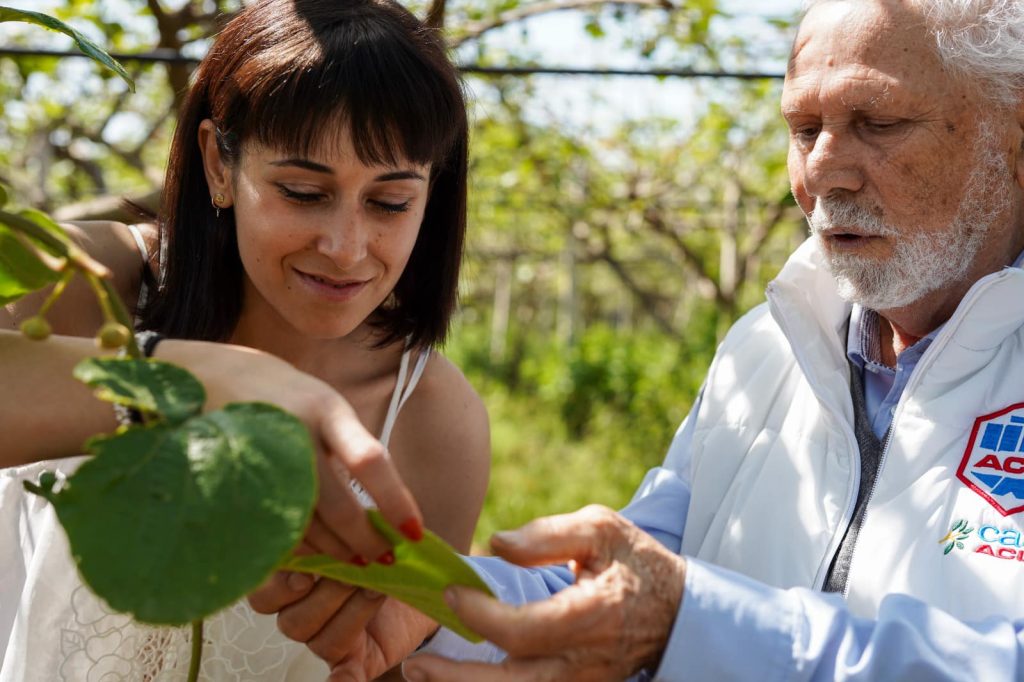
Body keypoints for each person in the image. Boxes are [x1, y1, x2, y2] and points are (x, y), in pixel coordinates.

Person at [260, 0, 1024, 679]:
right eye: (802, 128)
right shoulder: (766, 349)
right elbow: (643, 578)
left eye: (879, 122)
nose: (822, 170)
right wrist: (441, 601)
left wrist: (685, 624)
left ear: (1013, 135)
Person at [0, 0, 490, 679]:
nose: (347, 249)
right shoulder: (94, 281)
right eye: (302, 191)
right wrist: (185, 382)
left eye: (389, 203)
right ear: (218, 166)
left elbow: (390, 648)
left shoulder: (431, 415)